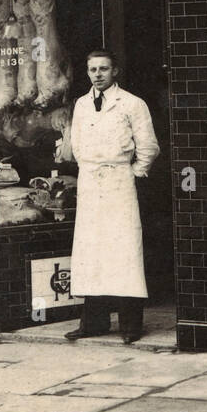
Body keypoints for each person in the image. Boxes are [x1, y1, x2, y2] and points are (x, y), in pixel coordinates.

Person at [64, 50, 159, 344]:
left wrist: (135, 172)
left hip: (119, 180)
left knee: (123, 251)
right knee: (92, 251)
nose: (98, 75)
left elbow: (148, 146)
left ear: (114, 71)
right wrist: (89, 168)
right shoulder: (81, 104)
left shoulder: (132, 103)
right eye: (92, 69)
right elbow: (76, 143)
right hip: (91, 182)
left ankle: (131, 324)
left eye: (103, 69)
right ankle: (94, 322)